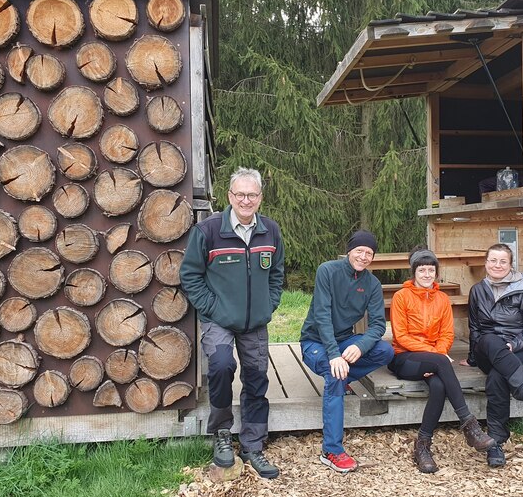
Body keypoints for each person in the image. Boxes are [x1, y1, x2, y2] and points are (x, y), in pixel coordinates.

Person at [180, 167, 284, 479]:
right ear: (230, 196)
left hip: (255, 321)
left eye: (252, 195)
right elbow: (190, 276)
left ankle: (252, 443)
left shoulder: (270, 231)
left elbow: (277, 274)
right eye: (240, 194)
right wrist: (212, 308)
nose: (246, 200)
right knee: (222, 366)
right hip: (219, 319)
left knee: (256, 377)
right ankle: (222, 434)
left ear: (260, 198)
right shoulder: (209, 231)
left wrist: (269, 304)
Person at [389, 248, 495, 473]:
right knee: (442, 363)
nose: (427, 274)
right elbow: (401, 336)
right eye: (422, 270)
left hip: (434, 359)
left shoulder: (442, 299)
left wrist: (436, 355)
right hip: (404, 357)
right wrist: (434, 355)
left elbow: (447, 334)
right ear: (414, 272)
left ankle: (422, 445)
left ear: (436, 273)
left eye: (431, 270)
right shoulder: (401, 297)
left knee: (438, 386)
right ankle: (469, 425)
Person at [300, 230, 395, 473]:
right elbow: (321, 316)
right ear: (349, 250)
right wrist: (333, 355)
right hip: (315, 342)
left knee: (385, 351)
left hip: (345, 341)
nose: (363, 257)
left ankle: (345, 375)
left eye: (369, 253)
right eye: (359, 251)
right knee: (335, 375)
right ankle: (331, 449)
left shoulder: (372, 284)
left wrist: (359, 346)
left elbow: (377, 326)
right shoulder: (327, 271)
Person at [462, 243, 523, 468]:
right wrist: (472, 359)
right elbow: (475, 329)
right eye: (493, 260)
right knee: (490, 339)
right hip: (486, 350)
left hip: (520, 353)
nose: (497, 265)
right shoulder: (478, 290)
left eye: (503, 261)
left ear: (511, 265)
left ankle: (496, 443)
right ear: (486, 263)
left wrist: (513, 344)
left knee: (497, 378)